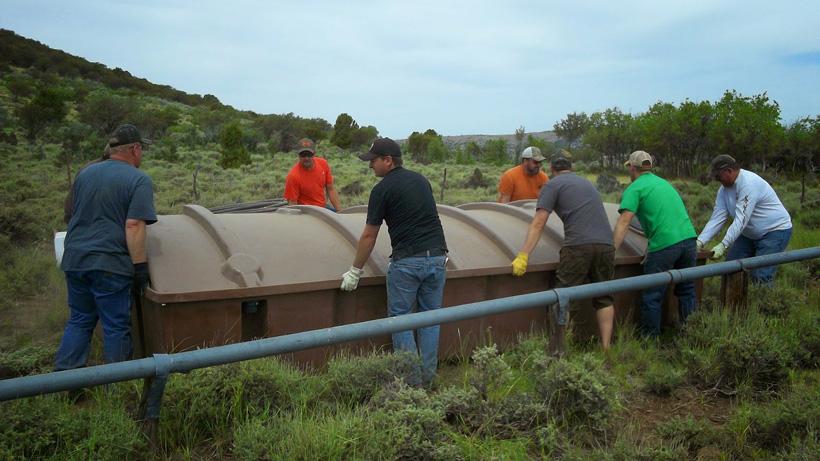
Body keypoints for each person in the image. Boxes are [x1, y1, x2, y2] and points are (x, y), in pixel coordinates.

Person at [339, 138, 448, 386]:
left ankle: (411, 385)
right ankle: (428, 381)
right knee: (430, 319)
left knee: (401, 320)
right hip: (438, 258)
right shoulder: (422, 180)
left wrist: (355, 271)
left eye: (373, 161)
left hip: (407, 262)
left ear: (388, 161)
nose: (370, 167)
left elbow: (369, 235)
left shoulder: (382, 190)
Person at [55, 124, 157, 371]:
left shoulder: (85, 174)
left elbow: (70, 215)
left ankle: (64, 381)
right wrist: (140, 267)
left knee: (79, 320)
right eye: (141, 149)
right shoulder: (138, 179)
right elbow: (133, 225)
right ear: (134, 149)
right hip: (110, 265)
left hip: (75, 259)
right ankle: (117, 384)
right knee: (116, 326)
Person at [511, 152, 615, 351]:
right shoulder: (587, 183)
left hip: (578, 246)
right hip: (606, 245)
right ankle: (606, 348)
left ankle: (559, 349)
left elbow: (539, 222)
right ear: (571, 168)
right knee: (604, 297)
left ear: (551, 169)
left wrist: (523, 255)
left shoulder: (553, 184)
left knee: (563, 297)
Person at [613, 150, 697, 338]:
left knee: (653, 295)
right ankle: (692, 335)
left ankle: (650, 340)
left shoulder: (635, 188)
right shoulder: (664, 183)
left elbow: (624, 221)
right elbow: (665, 218)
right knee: (687, 290)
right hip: (690, 240)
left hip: (665, 245)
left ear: (632, 168)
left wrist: (612, 252)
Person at [696, 155, 792, 285]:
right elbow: (717, 218)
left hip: (774, 231)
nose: (717, 180)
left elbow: (741, 219)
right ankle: (735, 304)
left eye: (718, 176)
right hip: (749, 234)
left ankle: (764, 304)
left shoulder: (748, 183)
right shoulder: (723, 190)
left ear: (729, 171)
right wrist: (700, 241)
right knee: (731, 268)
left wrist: (724, 244)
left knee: (761, 275)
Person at [284, 138, 341, 211]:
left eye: (309, 154)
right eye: (303, 155)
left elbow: (331, 190)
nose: (306, 158)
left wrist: (340, 212)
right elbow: (292, 203)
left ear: (314, 153)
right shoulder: (293, 176)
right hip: (306, 212)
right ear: (298, 155)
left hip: (322, 208)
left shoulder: (323, 164)